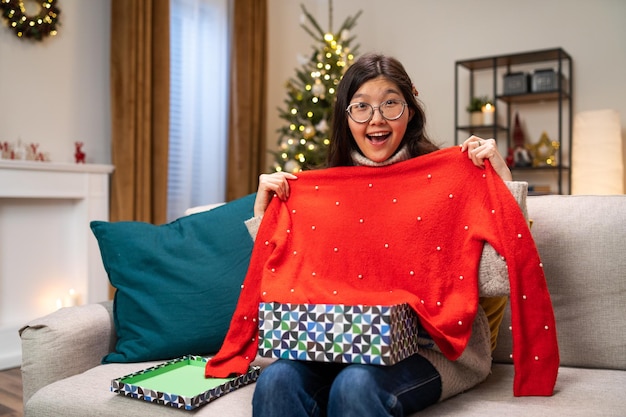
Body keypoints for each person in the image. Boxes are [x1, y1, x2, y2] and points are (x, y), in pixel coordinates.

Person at [204, 53, 558, 416]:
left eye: (390, 103)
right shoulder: (318, 192)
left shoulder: (450, 181)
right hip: (339, 344)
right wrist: (265, 219)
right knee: (276, 381)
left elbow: (498, 278)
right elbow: (286, 282)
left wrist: (503, 185)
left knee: (356, 385)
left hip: (433, 349)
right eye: (361, 107)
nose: (376, 119)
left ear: (410, 110)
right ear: (345, 116)